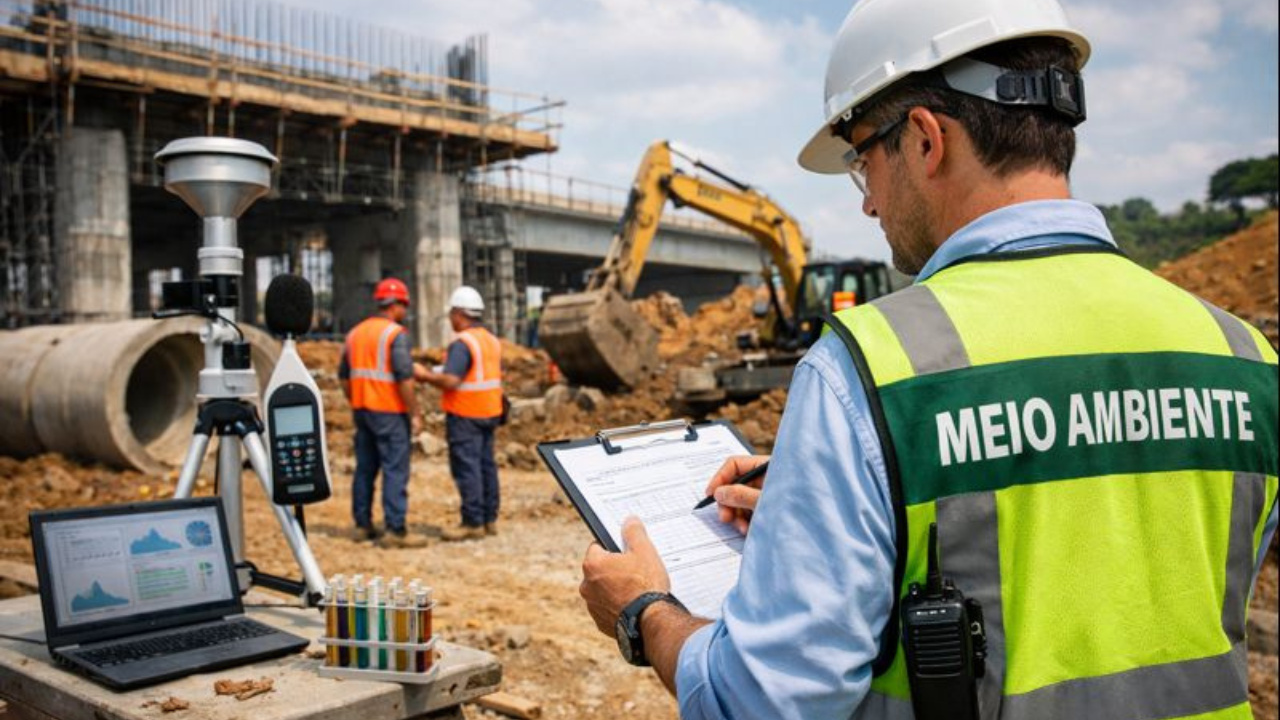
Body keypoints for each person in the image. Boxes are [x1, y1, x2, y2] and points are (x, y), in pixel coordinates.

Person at [577, 0, 1280, 718]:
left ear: (923, 139)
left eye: (861, 163)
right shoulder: (1243, 358)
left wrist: (646, 612)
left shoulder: (873, 366)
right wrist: (856, 507)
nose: (868, 205)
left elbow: (765, 701)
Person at [339, 277, 427, 549]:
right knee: (394, 469)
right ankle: (395, 529)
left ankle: (362, 524)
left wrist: (355, 398)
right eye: (405, 306)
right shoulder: (394, 334)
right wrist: (415, 413)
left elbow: (343, 375)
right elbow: (404, 377)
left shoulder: (355, 334)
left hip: (363, 410)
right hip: (389, 412)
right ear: (397, 305)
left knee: (365, 468)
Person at [417, 285, 504, 541]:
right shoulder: (490, 340)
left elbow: (452, 381)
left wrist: (425, 376)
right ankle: (489, 520)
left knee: (467, 467)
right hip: (490, 410)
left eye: (451, 315)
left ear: (458, 313)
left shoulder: (462, 344)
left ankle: (472, 522)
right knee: (487, 466)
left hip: (466, 413)